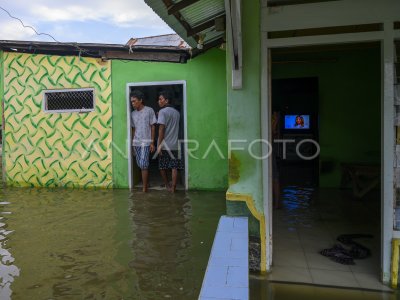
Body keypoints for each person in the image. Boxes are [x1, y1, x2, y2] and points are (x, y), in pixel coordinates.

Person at [157, 90, 183, 193]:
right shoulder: (177, 112)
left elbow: (161, 129)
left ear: (166, 100)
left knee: (162, 166)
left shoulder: (162, 112)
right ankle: (173, 188)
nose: (158, 101)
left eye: (160, 99)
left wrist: (159, 145)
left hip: (165, 144)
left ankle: (167, 185)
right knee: (174, 166)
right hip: (175, 144)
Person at [130, 90, 157, 192]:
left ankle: (144, 188)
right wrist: (132, 142)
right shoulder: (132, 114)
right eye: (131, 101)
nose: (133, 103)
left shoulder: (149, 110)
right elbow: (133, 128)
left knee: (143, 164)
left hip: (146, 142)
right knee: (139, 164)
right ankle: (147, 183)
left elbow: (153, 126)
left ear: (140, 100)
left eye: (134, 101)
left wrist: (152, 142)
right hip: (136, 142)